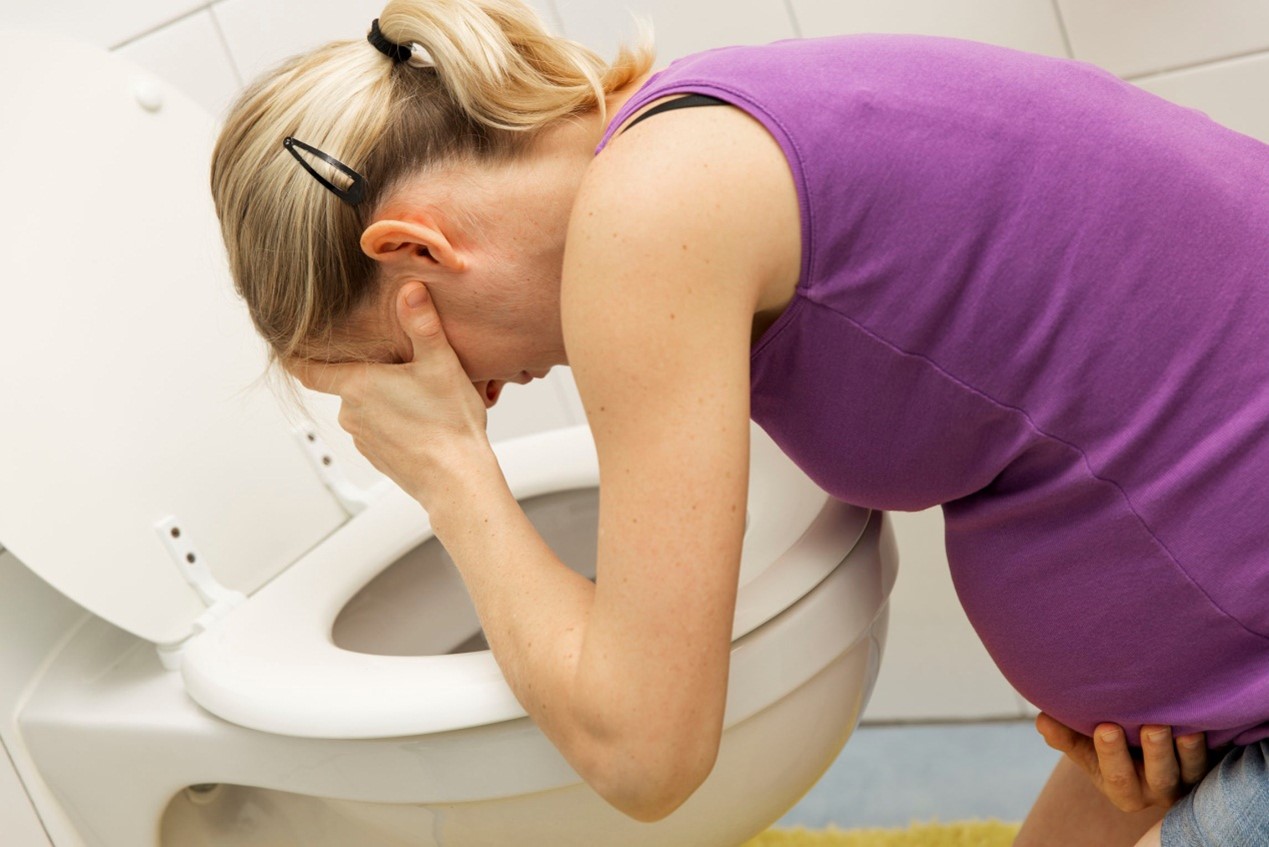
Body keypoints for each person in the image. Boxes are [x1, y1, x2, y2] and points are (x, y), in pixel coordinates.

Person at [209, 2, 1269, 844]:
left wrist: (448, 466)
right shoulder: (688, 134)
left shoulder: (650, 213)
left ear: (418, 252)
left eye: (415, 362)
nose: (475, 395)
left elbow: (645, 755)